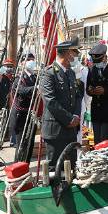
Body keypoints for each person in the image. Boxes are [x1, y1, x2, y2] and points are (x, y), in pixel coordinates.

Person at [39, 37, 85, 171]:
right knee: (55, 169)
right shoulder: (48, 73)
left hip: (70, 129)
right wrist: (69, 118)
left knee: (71, 166)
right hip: (55, 129)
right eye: (75, 52)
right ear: (67, 53)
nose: (77, 55)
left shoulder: (70, 73)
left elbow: (77, 95)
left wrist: (76, 115)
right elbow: (50, 101)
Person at [12, 59, 38, 162]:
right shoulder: (19, 78)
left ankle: (26, 164)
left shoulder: (35, 77)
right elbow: (21, 90)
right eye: (28, 59)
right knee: (21, 142)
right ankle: (17, 164)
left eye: (32, 59)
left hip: (31, 112)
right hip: (21, 114)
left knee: (30, 141)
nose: (31, 61)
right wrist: (35, 88)